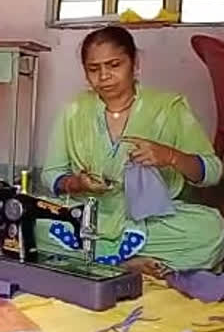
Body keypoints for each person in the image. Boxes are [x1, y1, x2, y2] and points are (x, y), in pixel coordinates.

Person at [37, 25, 224, 277]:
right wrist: (76, 183)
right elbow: (51, 174)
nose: (104, 76)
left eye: (114, 65)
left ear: (134, 63)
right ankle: (128, 262)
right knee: (31, 223)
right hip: (89, 214)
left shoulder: (168, 108)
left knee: (212, 232)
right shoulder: (73, 111)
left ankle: (96, 260)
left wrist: (170, 157)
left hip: (151, 220)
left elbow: (212, 172)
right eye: (94, 69)